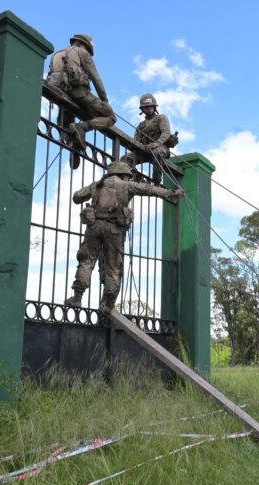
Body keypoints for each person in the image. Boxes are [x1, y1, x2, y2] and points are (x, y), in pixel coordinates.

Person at [65, 161, 183, 311]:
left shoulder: (96, 185)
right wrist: (172, 193)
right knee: (113, 267)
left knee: (86, 262)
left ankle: (77, 298)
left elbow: (77, 197)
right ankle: (108, 305)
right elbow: (150, 189)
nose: (128, 178)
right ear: (124, 174)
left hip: (93, 228)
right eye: (128, 176)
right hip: (114, 230)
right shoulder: (127, 185)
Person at [46, 33, 116, 168]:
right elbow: (96, 78)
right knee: (110, 117)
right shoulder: (82, 52)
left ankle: (73, 144)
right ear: (85, 45)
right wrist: (104, 100)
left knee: (65, 124)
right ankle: (82, 128)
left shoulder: (57, 54)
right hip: (78, 93)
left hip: (61, 94)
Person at [121, 94, 176, 184]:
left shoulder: (161, 118)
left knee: (157, 152)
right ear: (142, 109)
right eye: (146, 107)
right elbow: (136, 142)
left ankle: (156, 182)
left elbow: (166, 133)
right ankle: (137, 177)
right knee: (125, 158)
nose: (148, 108)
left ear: (154, 107)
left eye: (150, 106)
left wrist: (157, 143)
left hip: (161, 148)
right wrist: (140, 147)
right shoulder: (141, 125)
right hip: (145, 149)